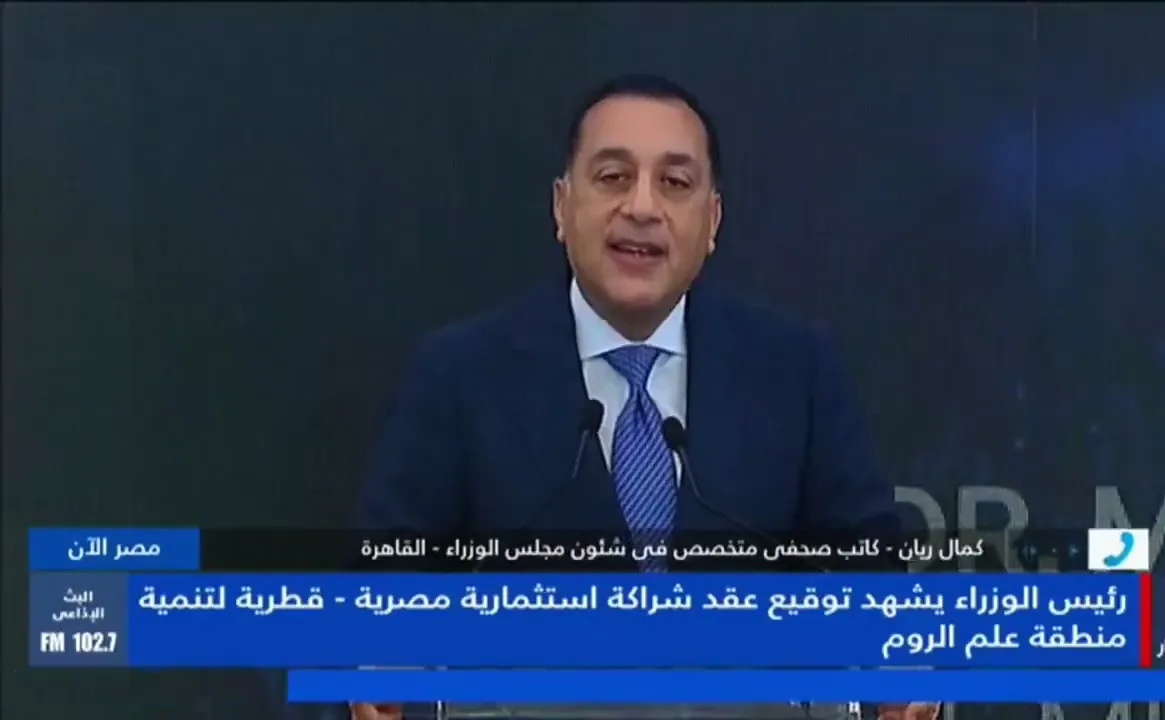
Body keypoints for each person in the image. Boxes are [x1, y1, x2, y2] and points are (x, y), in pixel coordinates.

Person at [350, 75, 938, 720]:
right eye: (613, 177)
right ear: (561, 207)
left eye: (675, 183)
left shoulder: (795, 370)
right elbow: (385, 586)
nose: (642, 207)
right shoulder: (459, 374)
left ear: (711, 221)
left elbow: (870, 574)